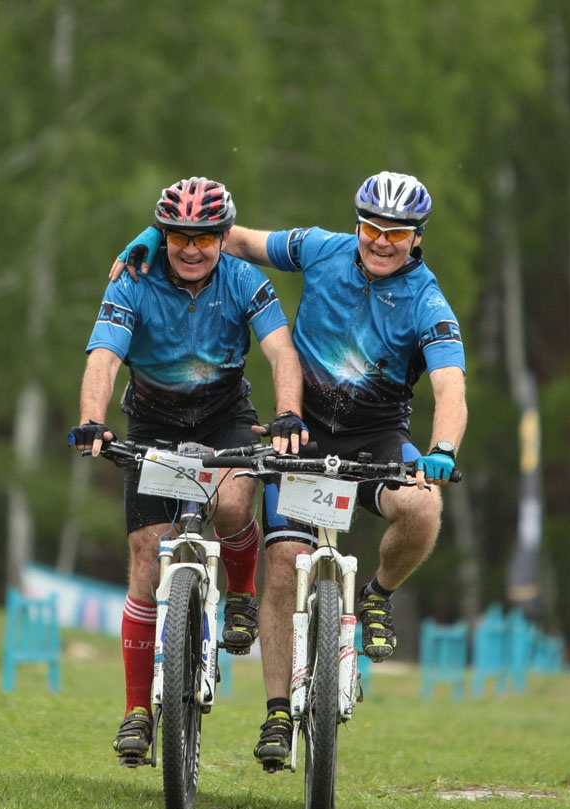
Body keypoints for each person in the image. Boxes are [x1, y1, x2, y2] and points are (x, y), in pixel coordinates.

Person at [111, 170, 468, 771]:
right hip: (300, 430)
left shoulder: (427, 300)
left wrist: (444, 448)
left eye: (397, 233)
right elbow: (236, 238)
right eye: (373, 227)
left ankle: (378, 596)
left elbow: (451, 387)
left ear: (417, 238)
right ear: (358, 224)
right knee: (282, 565)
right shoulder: (321, 248)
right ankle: (278, 711)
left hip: (377, 438)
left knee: (423, 505)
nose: (382, 242)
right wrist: (153, 234)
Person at [69, 177, 306, 766]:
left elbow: (281, 350)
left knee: (234, 504)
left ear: (223, 237)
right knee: (146, 555)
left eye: (204, 238)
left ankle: (241, 593)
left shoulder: (245, 280)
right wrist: (92, 419)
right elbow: (104, 356)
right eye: (179, 237)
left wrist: (288, 413)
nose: (192, 249)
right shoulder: (134, 280)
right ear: (164, 235)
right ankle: (136, 711)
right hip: (153, 422)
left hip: (225, 418)